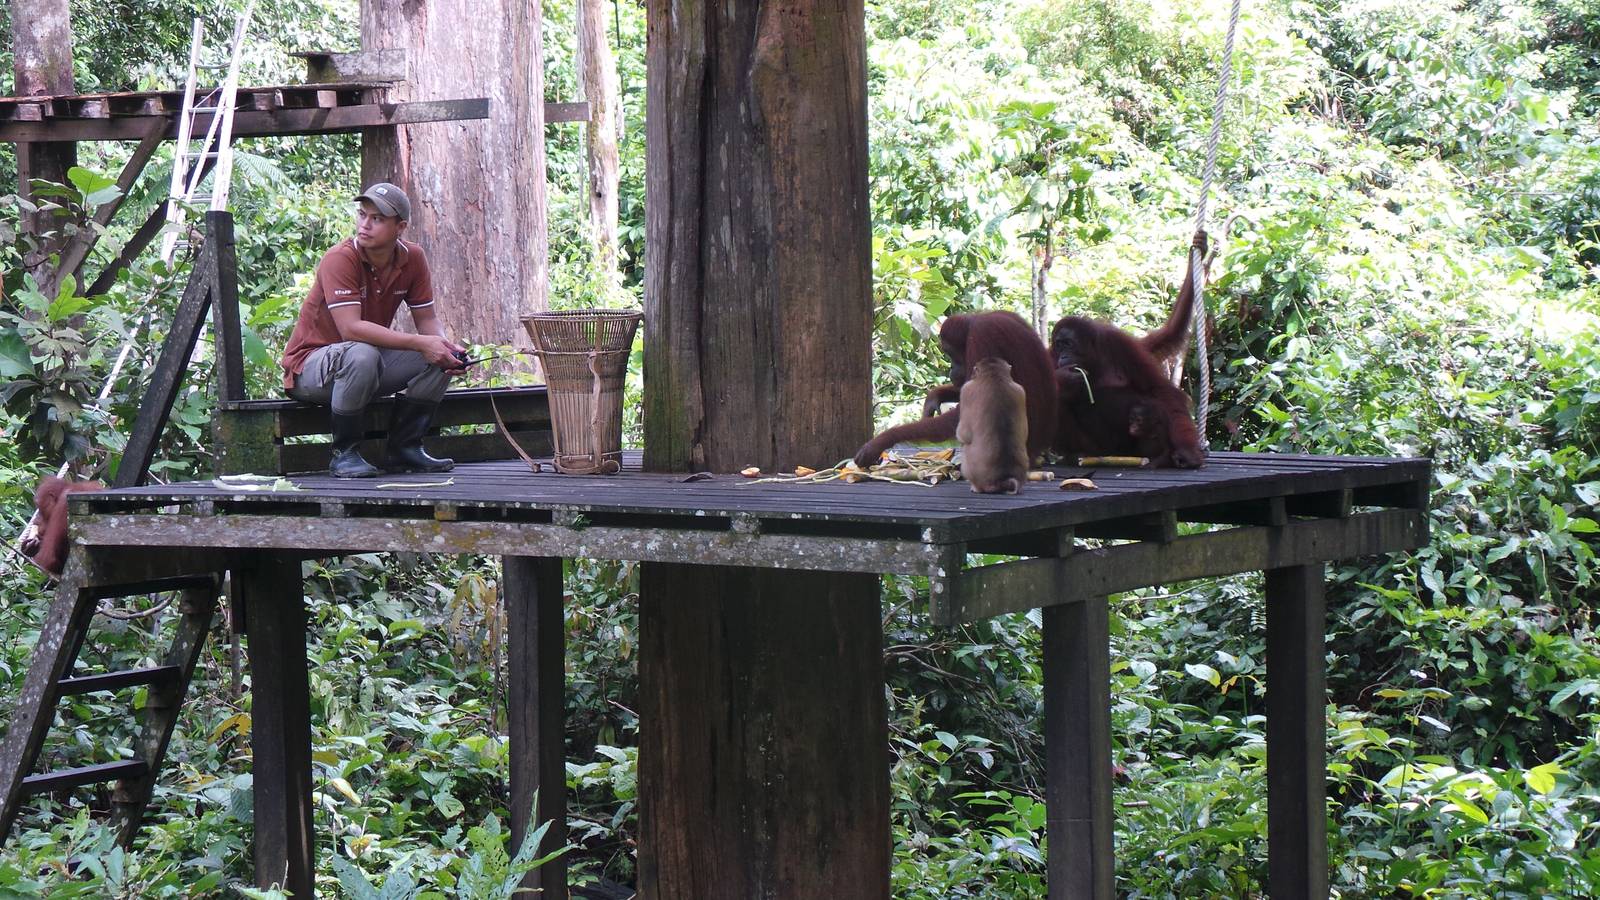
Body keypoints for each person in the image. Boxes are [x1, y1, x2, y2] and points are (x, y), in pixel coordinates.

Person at [279, 183, 467, 478]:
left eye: (377, 219)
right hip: (310, 370)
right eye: (362, 215)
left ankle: (405, 446)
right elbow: (350, 329)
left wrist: (446, 349)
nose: (365, 225)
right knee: (362, 353)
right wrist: (420, 343)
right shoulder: (340, 258)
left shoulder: (413, 258)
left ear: (400, 227)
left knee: (442, 353)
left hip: (364, 366)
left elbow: (427, 320)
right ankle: (345, 453)